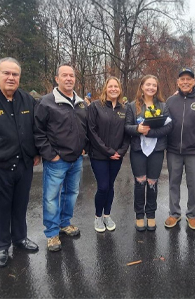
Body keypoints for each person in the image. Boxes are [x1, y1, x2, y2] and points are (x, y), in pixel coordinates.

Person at [0, 57, 40, 267]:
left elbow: (35, 129)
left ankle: (20, 238)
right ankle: (1, 246)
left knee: (21, 205)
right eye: (6, 73)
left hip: (24, 164)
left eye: (15, 74)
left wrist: (36, 152)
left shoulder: (27, 100)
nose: (11, 78)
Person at [34, 64, 88, 252]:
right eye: (64, 75)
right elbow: (38, 132)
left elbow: (85, 128)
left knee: (71, 194)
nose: (68, 78)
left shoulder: (81, 103)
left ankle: (65, 223)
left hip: (77, 159)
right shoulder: (46, 102)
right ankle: (51, 233)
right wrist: (51, 155)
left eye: (71, 75)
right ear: (57, 79)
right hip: (57, 161)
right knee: (51, 197)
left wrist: (84, 148)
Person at [164, 68, 195, 230]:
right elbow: (164, 124)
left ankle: (192, 215)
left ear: (194, 82)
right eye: (182, 79)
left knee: (193, 184)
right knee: (173, 183)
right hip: (173, 150)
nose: (185, 82)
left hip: (194, 151)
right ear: (177, 82)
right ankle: (174, 213)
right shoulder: (170, 101)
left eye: (188, 79)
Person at [125, 75, 172, 231]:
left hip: (157, 149)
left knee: (152, 182)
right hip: (138, 149)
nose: (151, 87)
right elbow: (126, 127)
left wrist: (150, 133)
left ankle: (150, 214)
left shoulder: (163, 106)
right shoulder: (132, 106)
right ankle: (139, 215)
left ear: (157, 88)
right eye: (148, 84)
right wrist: (137, 129)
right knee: (140, 181)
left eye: (154, 85)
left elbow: (168, 127)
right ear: (142, 86)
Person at [87, 77, 130, 232]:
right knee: (103, 186)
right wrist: (109, 151)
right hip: (99, 155)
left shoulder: (124, 109)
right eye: (110, 86)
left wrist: (121, 151)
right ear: (105, 88)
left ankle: (107, 215)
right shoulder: (95, 106)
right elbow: (91, 131)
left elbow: (127, 133)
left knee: (110, 186)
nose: (113, 89)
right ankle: (98, 217)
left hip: (117, 156)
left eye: (116, 86)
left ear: (119, 89)